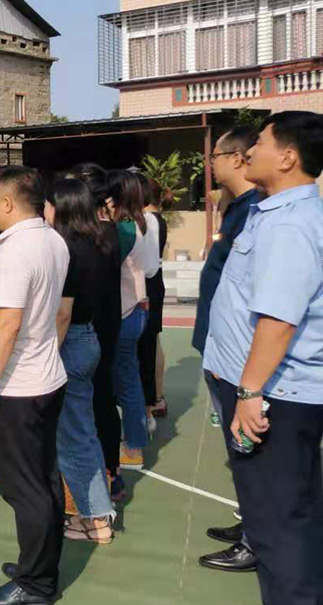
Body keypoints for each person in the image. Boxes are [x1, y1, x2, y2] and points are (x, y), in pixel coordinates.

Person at [203, 111, 323, 605]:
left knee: (278, 523)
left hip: (274, 395)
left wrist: (250, 392)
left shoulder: (290, 225)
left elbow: (278, 319)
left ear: (288, 157)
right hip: (267, 388)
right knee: (282, 515)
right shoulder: (271, 211)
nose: (249, 151)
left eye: (262, 143)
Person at [0, 167, 69, 605]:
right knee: (44, 479)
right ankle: (40, 566)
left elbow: (7, 325)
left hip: (17, 387)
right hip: (45, 378)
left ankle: (35, 585)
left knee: (24, 488)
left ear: (8, 203)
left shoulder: (14, 253)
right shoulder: (53, 240)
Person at [194, 126, 262, 574]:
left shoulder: (256, 211)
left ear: (237, 158)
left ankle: (256, 540)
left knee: (248, 450)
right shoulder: (236, 208)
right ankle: (251, 526)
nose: (210, 164)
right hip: (221, 348)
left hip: (239, 354)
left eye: (215, 156)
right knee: (238, 451)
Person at [45, 179, 117, 545]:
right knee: (84, 431)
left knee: (73, 437)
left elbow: (62, 314)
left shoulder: (68, 249)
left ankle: (95, 519)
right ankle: (95, 512)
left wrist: (48, 355)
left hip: (70, 342)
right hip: (88, 337)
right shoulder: (98, 242)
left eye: (48, 204)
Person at [66, 163, 125, 499]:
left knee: (86, 404)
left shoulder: (81, 238)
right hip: (108, 320)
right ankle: (112, 470)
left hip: (87, 324)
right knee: (103, 396)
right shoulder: (111, 231)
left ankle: (97, 478)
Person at [105, 170, 150, 471]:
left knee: (127, 382)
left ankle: (133, 445)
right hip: (134, 309)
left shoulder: (123, 228)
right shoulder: (138, 223)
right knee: (129, 379)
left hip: (125, 312)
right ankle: (136, 436)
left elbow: (107, 261)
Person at [138, 175, 168, 426]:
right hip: (155, 282)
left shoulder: (147, 221)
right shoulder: (158, 219)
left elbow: (146, 267)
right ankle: (157, 395)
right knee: (153, 343)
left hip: (148, 284)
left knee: (147, 346)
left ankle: (151, 399)